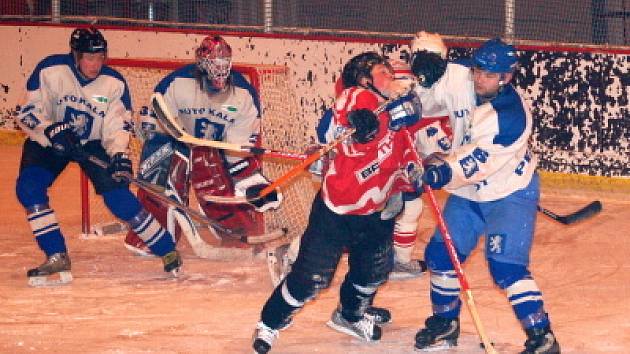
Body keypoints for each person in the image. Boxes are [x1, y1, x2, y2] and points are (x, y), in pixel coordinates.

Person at [251, 51, 422, 354]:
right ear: (365, 80)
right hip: (337, 211)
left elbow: (406, 146)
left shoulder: (398, 110)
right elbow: (347, 110)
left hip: (377, 211)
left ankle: (350, 316)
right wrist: (360, 124)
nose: (391, 76)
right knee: (309, 280)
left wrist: (413, 170)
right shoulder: (359, 98)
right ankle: (270, 322)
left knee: (373, 274)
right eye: (384, 71)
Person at [410, 36, 561, 354]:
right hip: (469, 192)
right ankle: (445, 324)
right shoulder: (461, 77)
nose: (480, 79)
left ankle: (541, 337)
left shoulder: (509, 117)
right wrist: (423, 75)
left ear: (507, 77)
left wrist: (440, 172)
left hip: (508, 192)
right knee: (441, 257)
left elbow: (476, 162)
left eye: (489, 75)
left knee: (506, 267)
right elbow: (421, 102)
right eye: (478, 70)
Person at [15, 27, 181, 286]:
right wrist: (50, 129)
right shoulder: (50, 70)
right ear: (76, 55)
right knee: (29, 188)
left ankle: (166, 248)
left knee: (118, 198)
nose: (95, 64)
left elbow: (117, 125)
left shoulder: (114, 83)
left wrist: (118, 155)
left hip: (92, 143)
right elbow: (26, 112)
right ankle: (56, 254)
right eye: (89, 58)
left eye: (100, 57)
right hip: (51, 140)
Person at [123, 35, 282, 257]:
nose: (220, 71)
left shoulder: (243, 95)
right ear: (201, 62)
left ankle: (233, 228)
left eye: (224, 64)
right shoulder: (177, 83)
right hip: (176, 143)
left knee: (212, 164)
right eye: (214, 64)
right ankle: (151, 234)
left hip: (214, 151)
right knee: (164, 160)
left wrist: (253, 186)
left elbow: (237, 152)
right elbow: (157, 126)